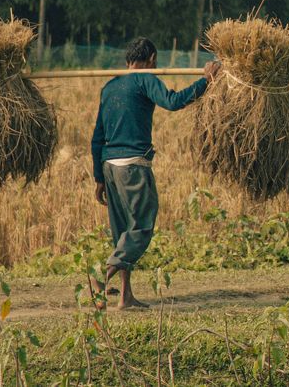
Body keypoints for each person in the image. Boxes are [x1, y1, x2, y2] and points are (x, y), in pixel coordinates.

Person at [90, 36, 221, 309]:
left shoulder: (109, 87)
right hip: (133, 167)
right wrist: (205, 82)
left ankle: (125, 296)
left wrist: (99, 178)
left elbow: (97, 137)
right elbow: (173, 102)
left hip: (110, 167)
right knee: (141, 226)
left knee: (122, 233)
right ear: (150, 59)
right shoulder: (144, 79)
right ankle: (102, 278)